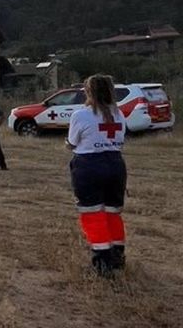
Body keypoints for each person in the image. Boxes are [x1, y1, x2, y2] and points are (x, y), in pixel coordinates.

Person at [67, 74, 128, 276]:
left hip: (89, 166)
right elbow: (120, 140)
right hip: (115, 164)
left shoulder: (80, 115)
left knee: (93, 214)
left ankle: (102, 262)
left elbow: (72, 143)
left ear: (89, 91)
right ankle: (117, 256)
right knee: (112, 212)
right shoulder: (119, 114)